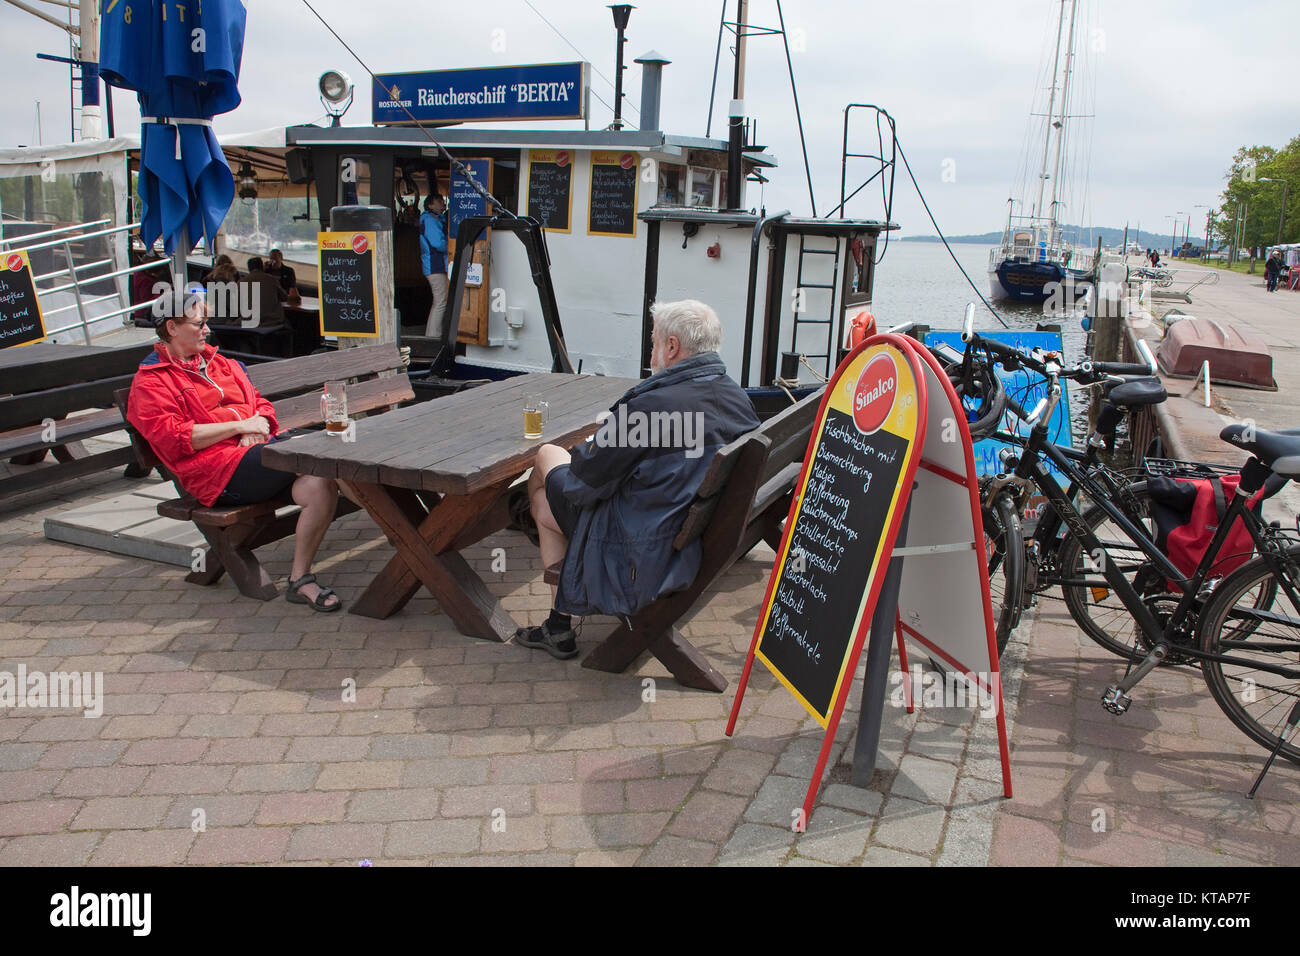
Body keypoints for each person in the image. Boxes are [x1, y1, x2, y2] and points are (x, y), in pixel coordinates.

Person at [516, 299, 761, 659]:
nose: (651, 350)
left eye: (653, 341)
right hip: (692, 531)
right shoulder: (735, 396)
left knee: (545, 468)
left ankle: (558, 627)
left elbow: (584, 484)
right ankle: (557, 621)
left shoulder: (650, 407)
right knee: (550, 493)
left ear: (672, 346)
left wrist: (592, 447)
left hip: (639, 548)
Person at [126, 289, 344, 611]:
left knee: (320, 483)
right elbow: (175, 438)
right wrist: (240, 427)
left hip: (258, 456)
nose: (207, 330)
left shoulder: (223, 364)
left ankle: (300, 579)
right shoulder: (152, 383)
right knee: (321, 455)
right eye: (199, 324)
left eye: (206, 323)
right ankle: (401, 529)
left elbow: (264, 408)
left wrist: (257, 427)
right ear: (172, 328)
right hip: (216, 474)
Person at [420, 193, 449, 336]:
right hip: (435, 265)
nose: (443, 204)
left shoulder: (432, 219)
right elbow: (437, 243)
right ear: (430, 205)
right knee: (441, 301)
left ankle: (432, 334)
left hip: (435, 265)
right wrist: (453, 246)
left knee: (440, 301)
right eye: (439, 201)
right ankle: (433, 336)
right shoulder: (430, 220)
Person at [244, 256, 287, 325]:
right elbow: (284, 297)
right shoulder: (272, 280)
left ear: (249, 268)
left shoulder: (241, 282)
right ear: (262, 267)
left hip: (250, 321)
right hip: (272, 321)